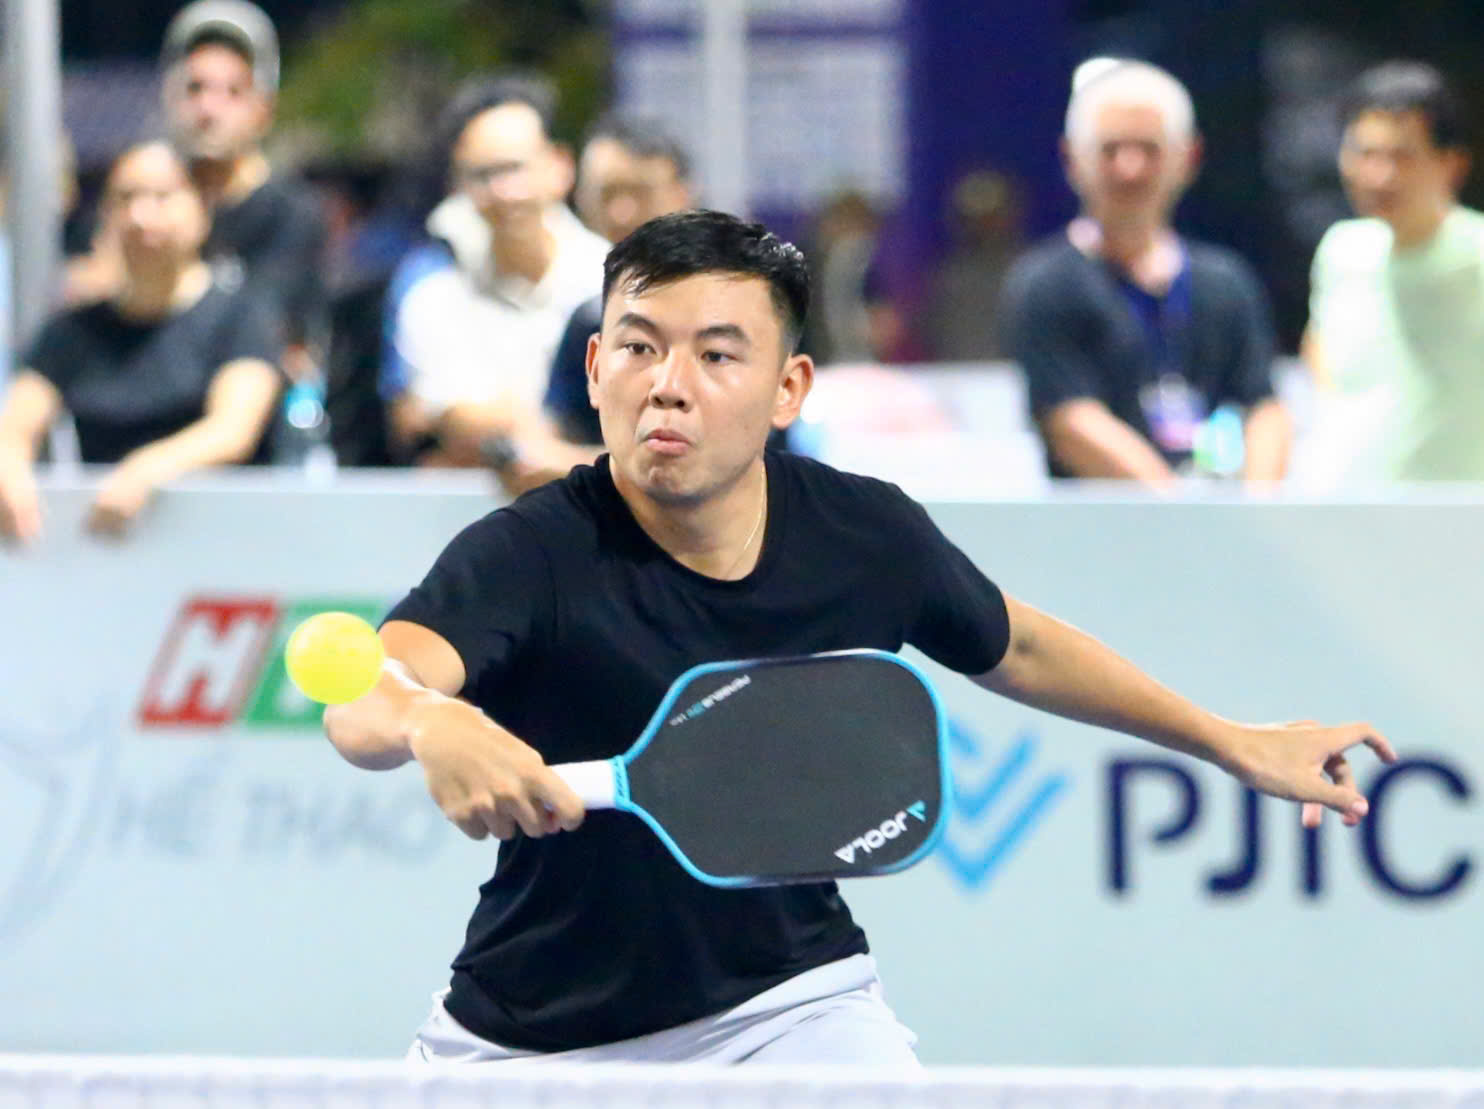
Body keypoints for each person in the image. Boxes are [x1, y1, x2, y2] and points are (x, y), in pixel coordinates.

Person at [322, 210, 1394, 1066]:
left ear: (788, 388)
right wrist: (429, 722)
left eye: (715, 353)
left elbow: (1014, 644)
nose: (668, 383)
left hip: (789, 1010)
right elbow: (368, 693)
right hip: (530, 1038)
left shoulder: (858, 531)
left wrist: (1227, 739)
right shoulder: (528, 549)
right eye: (639, 348)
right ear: (597, 366)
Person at [1001, 58, 1291, 486]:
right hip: (1097, 532)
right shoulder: (1045, 283)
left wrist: (1258, 508)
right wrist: (1176, 512)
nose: (1129, 168)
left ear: (1188, 156)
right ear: (1071, 158)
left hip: (1219, 527)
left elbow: (1262, 406)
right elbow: (1070, 422)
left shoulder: (1226, 281)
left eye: (1149, 149)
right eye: (1110, 149)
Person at [0, 141, 281, 543]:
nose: (140, 215)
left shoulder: (239, 316)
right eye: (125, 198)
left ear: (202, 209)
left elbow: (233, 428)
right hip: (106, 547)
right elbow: (17, 422)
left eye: (162, 196)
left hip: (226, 553)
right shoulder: (73, 330)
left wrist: (147, 469)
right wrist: (9, 466)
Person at [380, 76, 609, 475]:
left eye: (515, 168)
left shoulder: (612, 280)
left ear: (560, 167)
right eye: (482, 175)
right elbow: (421, 421)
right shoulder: (432, 289)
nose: (504, 191)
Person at [1302, 61, 1484, 481]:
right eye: (1365, 154)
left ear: (1450, 164)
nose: (1379, 176)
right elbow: (1326, 367)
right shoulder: (1341, 250)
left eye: (1402, 156)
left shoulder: (1475, 253)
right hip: (1345, 515)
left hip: (1455, 525)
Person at [160, 0, 329, 380]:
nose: (208, 108)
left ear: (263, 110)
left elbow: (263, 333)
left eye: (232, 91)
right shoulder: (146, 200)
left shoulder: (292, 213)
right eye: (194, 87)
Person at [546, 114, 695, 448]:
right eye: (607, 193)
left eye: (640, 192)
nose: (622, 213)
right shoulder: (588, 318)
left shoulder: (737, 303)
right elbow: (557, 427)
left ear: (682, 194)